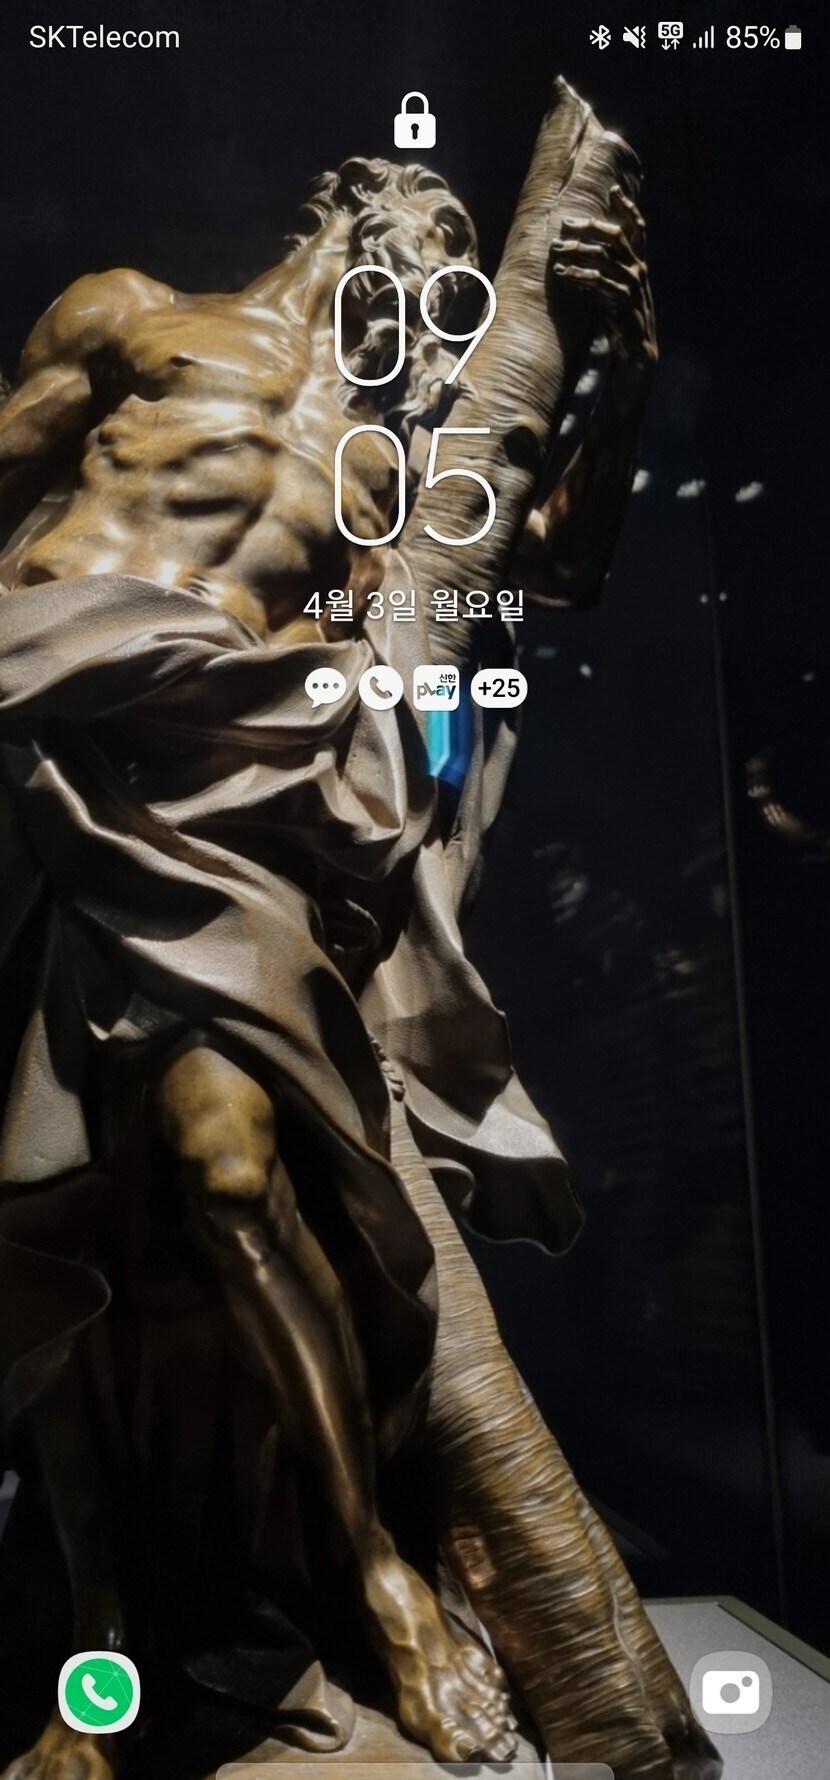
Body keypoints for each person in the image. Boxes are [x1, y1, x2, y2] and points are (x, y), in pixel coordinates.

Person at [0, 120, 716, 1780]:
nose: (442, 274)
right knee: (59, 1208)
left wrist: (614, 371)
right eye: (431, 232)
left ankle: (376, 1576)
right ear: (354, 210)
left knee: (231, 1173)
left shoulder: (396, 461)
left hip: (226, 812)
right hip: (54, 759)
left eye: (465, 263)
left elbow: (560, 560)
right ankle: (95, 1630)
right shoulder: (131, 314)